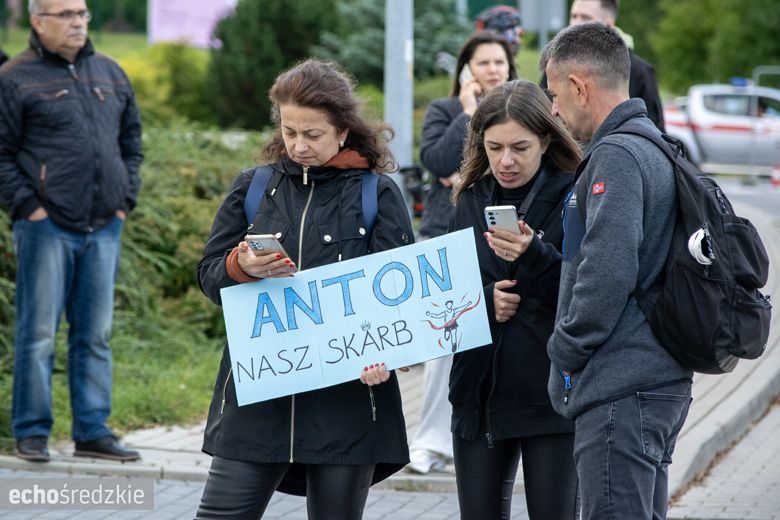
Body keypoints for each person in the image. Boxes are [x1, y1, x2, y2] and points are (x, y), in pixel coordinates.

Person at [195, 58, 414, 519]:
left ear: (343, 130)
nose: (298, 145)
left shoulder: (377, 194)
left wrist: (388, 356)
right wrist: (242, 267)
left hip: (347, 403)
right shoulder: (252, 188)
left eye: (312, 134)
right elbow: (209, 277)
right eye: (290, 131)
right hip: (256, 398)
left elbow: (403, 302)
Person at [542, 23, 693, 520]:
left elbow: (606, 272)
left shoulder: (617, 156)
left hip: (620, 389)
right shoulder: (655, 144)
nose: (555, 110)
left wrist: (564, 351)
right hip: (657, 380)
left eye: (554, 94)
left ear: (579, 85)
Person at [0, 0, 143, 462]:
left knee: (95, 334)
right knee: (39, 333)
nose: (78, 21)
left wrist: (124, 202)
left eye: (82, 13)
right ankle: (33, 432)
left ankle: (93, 432)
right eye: (65, 14)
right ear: (38, 21)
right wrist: (29, 209)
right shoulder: (15, 78)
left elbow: (132, 143)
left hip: (104, 226)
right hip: (46, 227)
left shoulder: (111, 72)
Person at [448, 79, 581, 520]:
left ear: (546, 138)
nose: (506, 161)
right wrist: (484, 303)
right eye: (494, 147)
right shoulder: (470, 198)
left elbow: (591, 290)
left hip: (549, 397)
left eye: (520, 147)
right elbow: (445, 293)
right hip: (478, 393)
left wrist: (536, 256)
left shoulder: (575, 195)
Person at [408, 31, 517, 475]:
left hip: (502, 237)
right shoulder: (447, 110)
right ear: (466, 70)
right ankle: (432, 442)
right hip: (444, 235)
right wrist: (469, 113)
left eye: (499, 63)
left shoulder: (521, 110)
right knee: (444, 341)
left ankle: (494, 432)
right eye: (483, 63)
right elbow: (435, 159)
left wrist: (461, 176)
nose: (493, 70)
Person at [540, 0, 666, 132]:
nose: (575, 23)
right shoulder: (555, 67)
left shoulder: (641, 72)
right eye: (573, 16)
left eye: (586, 17)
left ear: (608, 25)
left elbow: (655, 132)